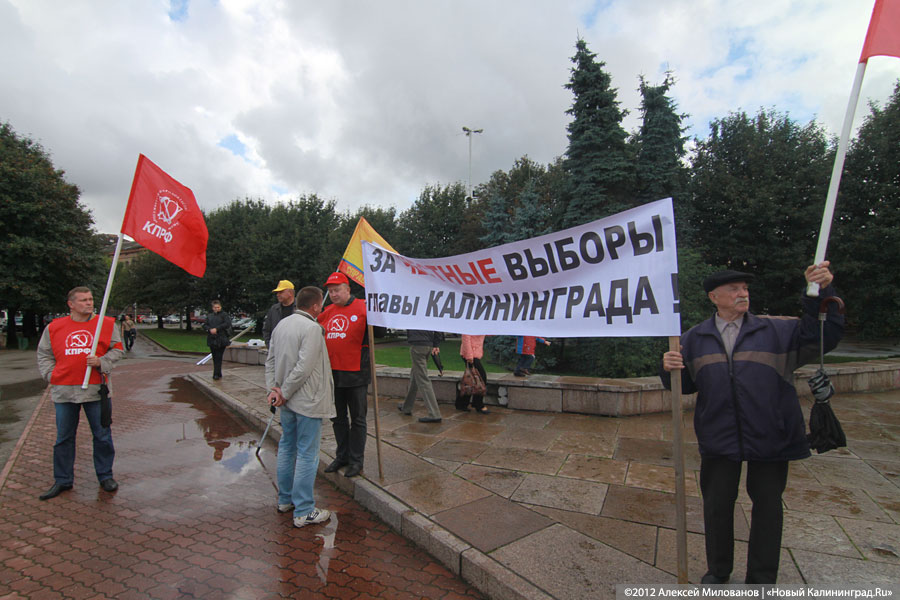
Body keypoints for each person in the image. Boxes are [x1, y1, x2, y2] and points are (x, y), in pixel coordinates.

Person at [661, 263, 843, 584]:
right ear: (713, 297)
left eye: (744, 288)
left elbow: (822, 336)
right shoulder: (693, 338)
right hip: (718, 436)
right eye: (733, 289)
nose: (742, 293)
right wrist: (668, 368)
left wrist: (821, 292)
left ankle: (761, 578)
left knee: (768, 507)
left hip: (772, 434)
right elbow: (685, 385)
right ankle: (718, 571)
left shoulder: (778, 330)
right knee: (717, 507)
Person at [36, 286, 124, 500]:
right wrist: (50, 375)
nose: (89, 303)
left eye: (91, 299)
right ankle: (63, 480)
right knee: (63, 438)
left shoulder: (106, 324)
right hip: (65, 392)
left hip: (96, 391)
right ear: (71, 304)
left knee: (102, 436)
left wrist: (102, 362)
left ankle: (105, 476)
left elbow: (119, 349)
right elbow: (44, 354)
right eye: (83, 300)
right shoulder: (55, 327)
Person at [265, 286, 335, 528]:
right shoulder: (312, 328)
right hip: (307, 400)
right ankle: (304, 509)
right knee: (307, 452)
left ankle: (285, 499)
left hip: (287, 400)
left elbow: (270, 360)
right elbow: (305, 367)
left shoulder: (281, 325)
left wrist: (274, 389)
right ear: (315, 306)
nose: (322, 308)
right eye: (320, 305)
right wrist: (282, 391)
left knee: (287, 447)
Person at [318, 272, 370, 478]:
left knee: (358, 419)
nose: (333, 294)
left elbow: (381, 332)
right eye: (330, 291)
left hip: (356, 374)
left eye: (337, 289)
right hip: (333, 374)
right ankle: (342, 455)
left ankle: (356, 460)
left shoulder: (364, 307)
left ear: (348, 289)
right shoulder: (328, 311)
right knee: (337, 418)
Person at [399, 330, 444, 423]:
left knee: (423, 379)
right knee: (415, 375)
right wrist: (435, 344)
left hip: (417, 345)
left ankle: (434, 414)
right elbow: (439, 326)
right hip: (428, 345)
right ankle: (406, 407)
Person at [457, 334, 489, 414]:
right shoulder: (470, 322)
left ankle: (461, 404)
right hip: (470, 355)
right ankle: (478, 404)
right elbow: (465, 337)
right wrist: (469, 356)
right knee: (481, 378)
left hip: (475, 353)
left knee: (471, 379)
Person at [203, 300, 233, 380]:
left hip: (221, 338)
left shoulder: (224, 315)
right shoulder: (210, 316)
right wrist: (210, 329)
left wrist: (217, 328)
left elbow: (227, 324)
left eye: (218, 307)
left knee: (219, 356)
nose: (217, 309)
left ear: (220, 307)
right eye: (215, 307)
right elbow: (205, 325)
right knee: (214, 356)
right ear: (213, 308)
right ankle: (218, 372)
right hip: (212, 338)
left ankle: (216, 373)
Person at [263, 280, 296, 348]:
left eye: (281, 292)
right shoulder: (274, 309)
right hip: (276, 351)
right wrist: (270, 347)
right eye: (277, 292)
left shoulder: (301, 308)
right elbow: (267, 330)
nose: (278, 295)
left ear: (290, 293)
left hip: (295, 351)